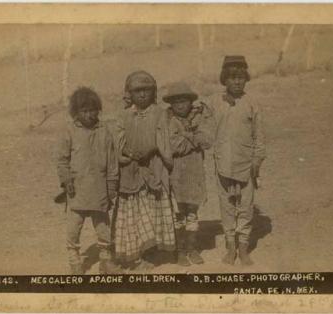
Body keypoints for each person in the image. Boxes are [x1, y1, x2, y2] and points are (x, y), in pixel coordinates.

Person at [114, 70, 175, 270]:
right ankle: (135, 255)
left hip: (153, 169)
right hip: (131, 172)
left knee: (153, 211)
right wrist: (127, 155)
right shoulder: (123, 116)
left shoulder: (160, 113)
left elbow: (165, 141)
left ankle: (150, 254)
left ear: (153, 92)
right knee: (135, 214)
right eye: (137, 91)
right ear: (129, 93)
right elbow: (117, 143)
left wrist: (152, 150)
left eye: (147, 90)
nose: (142, 95)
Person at [208, 56, 266, 266]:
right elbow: (201, 123)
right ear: (225, 79)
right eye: (232, 78)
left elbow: (259, 137)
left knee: (245, 207)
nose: (237, 82)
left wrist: (256, 162)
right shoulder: (215, 103)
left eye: (241, 77)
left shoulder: (252, 104)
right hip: (223, 164)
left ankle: (243, 248)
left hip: (246, 165)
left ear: (246, 79)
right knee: (227, 206)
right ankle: (230, 248)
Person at [57, 87, 121, 274]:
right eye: (84, 111)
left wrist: (111, 186)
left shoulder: (104, 132)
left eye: (93, 110)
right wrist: (66, 179)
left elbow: (112, 162)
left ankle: (105, 259)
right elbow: (62, 160)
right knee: (73, 227)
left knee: (103, 227)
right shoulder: (69, 132)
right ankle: (74, 260)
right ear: (76, 113)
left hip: (100, 189)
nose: (89, 115)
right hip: (76, 190)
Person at [163, 81, 213, 266]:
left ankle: (192, 248)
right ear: (171, 104)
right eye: (176, 102)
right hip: (176, 176)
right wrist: (193, 138)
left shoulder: (199, 118)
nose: (180, 105)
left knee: (192, 214)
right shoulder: (169, 120)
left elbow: (207, 139)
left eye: (184, 101)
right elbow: (174, 146)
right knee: (178, 215)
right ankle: (180, 251)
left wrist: (186, 137)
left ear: (190, 102)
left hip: (194, 174)